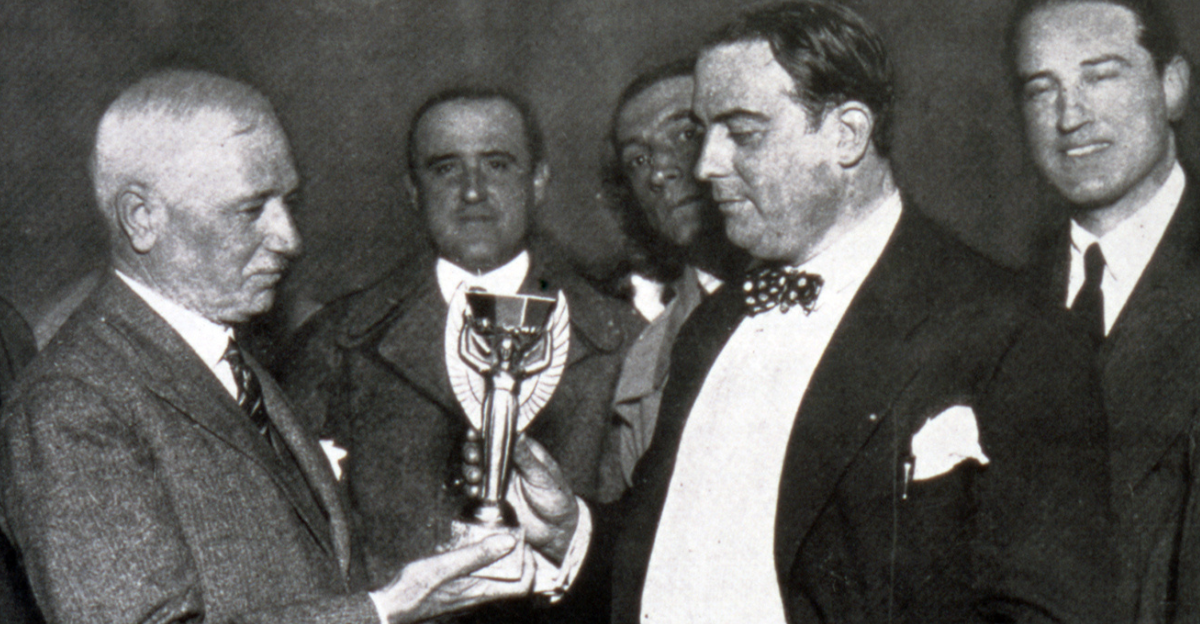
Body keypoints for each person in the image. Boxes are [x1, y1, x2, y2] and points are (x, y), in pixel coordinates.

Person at [0, 69, 580, 624]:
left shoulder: (232, 364)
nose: (289, 239)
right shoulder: (70, 404)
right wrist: (383, 610)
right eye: (251, 211)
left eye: (289, 203)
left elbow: (318, 573)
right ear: (142, 218)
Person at [598, 2, 1115, 622]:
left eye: (742, 132)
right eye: (704, 131)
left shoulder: (1014, 330)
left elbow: (1042, 610)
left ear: (846, 134)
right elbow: (658, 555)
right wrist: (569, 533)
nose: (706, 166)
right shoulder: (710, 329)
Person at [279, 87, 641, 598]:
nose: (472, 192)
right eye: (446, 169)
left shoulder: (623, 342)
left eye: (497, 165)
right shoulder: (334, 345)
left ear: (538, 182)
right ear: (412, 190)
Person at [1008, 0, 1199, 620]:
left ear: (1172, 87)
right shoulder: (993, 300)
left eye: (1101, 75)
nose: (1070, 117)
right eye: (1043, 89)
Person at [599, 59, 747, 502]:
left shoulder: (828, 292)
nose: (659, 173)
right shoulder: (645, 362)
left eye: (685, 135)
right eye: (638, 160)